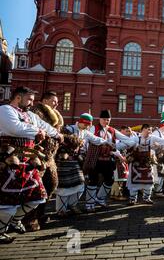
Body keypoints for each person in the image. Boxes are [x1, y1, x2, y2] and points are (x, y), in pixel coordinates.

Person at [0, 87, 62, 244]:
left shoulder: (29, 115)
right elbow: (15, 128)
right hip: (9, 161)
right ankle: (1, 230)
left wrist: (58, 135)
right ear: (18, 98)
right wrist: (37, 131)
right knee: (7, 203)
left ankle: (15, 221)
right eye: (29, 99)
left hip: (28, 162)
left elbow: (45, 127)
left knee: (38, 197)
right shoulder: (5, 109)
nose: (32, 103)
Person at [23, 91, 65, 231]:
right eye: (54, 101)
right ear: (45, 101)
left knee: (51, 185)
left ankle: (40, 213)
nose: (57, 104)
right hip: (38, 156)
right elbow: (38, 129)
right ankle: (28, 218)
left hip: (50, 157)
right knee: (34, 187)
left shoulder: (55, 116)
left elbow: (55, 133)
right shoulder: (37, 112)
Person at [55, 113, 110, 217]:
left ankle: (72, 205)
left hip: (77, 162)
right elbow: (59, 142)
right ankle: (61, 210)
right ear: (80, 122)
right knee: (64, 186)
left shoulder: (85, 132)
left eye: (89, 125)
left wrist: (107, 143)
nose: (87, 127)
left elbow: (95, 139)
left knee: (80, 184)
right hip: (64, 162)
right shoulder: (68, 129)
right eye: (86, 124)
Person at [83, 110, 136, 212]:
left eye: (108, 119)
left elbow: (127, 140)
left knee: (109, 180)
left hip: (107, 160)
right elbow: (86, 141)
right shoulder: (94, 128)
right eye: (104, 119)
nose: (106, 121)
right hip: (95, 159)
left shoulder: (112, 130)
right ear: (100, 119)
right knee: (92, 181)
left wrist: (118, 147)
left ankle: (100, 198)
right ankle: (89, 204)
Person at [127, 124, 164, 205]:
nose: (150, 132)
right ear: (143, 130)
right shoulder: (135, 139)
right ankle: (132, 199)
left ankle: (147, 198)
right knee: (134, 182)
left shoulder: (152, 138)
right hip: (136, 164)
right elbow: (126, 144)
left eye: (151, 130)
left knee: (149, 181)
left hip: (147, 163)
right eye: (148, 130)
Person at [152, 120, 164, 198]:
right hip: (157, 156)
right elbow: (153, 143)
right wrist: (160, 146)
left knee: (163, 172)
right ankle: (157, 191)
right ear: (163, 125)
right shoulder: (156, 133)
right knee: (158, 172)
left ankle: (160, 189)